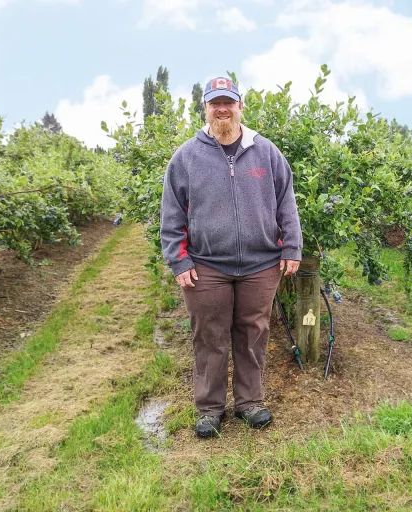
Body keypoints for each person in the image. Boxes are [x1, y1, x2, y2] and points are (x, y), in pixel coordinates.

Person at [160, 76, 302, 438]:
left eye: (228, 102)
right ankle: (209, 409)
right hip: (206, 265)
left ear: (240, 107)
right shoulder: (186, 157)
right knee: (209, 337)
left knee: (253, 332)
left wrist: (291, 247)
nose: (222, 109)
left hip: (261, 264)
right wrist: (180, 261)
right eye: (214, 103)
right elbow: (172, 215)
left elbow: (286, 202)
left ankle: (249, 403)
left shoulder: (266, 152)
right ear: (205, 108)